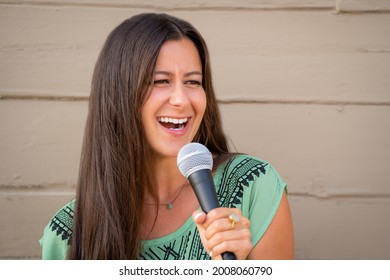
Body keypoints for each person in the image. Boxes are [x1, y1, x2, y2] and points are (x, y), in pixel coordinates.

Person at [39, 13, 294, 260]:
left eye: (193, 82)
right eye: (161, 81)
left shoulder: (253, 185)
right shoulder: (69, 234)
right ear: (119, 94)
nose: (181, 100)